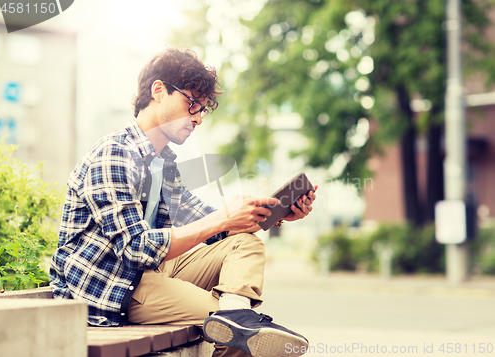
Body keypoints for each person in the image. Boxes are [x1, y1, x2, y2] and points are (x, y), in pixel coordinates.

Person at [49, 47, 317, 357]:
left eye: (202, 109)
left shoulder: (164, 163)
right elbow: (135, 248)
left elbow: (211, 223)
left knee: (245, 243)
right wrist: (222, 218)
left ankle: (236, 318)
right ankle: (237, 322)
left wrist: (279, 213)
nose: (198, 119)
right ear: (159, 91)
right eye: (192, 103)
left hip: (151, 273)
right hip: (112, 285)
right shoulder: (115, 153)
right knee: (236, 330)